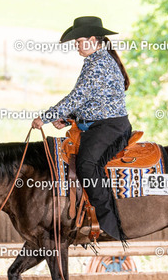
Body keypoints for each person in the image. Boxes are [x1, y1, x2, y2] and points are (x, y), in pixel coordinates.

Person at [32, 16, 132, 241]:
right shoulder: (96, 61)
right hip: (102, 125)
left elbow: (77, 97)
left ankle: (109, 225)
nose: (76, 45)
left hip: (109, 127)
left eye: (79, 41)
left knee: (86, 166)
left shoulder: (98, 64)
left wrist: (46, 118)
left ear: (93, 40)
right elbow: (91, 100)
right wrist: (69, 118)